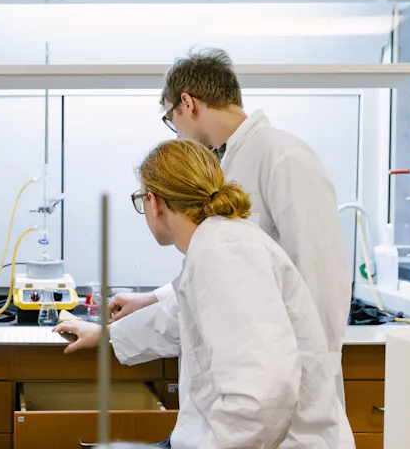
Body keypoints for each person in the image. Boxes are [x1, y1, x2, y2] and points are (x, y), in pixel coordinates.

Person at [56, 140, 354, 449]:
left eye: (140, 199)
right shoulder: (217, 242)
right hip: (248, 448)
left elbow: (261, 395)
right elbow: (181, 317)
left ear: (154, 202)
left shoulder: (223, 253)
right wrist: (109, 335)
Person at [107, 49, 351, 393]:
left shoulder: (283, 156)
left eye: (170, 118)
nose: (176, 134)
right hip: (255, 367)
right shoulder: (228, 162)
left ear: (187, 103)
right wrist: (152, 298)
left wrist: (312, 372)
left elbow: (321, 273)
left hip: (291, 372)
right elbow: (224, 269)